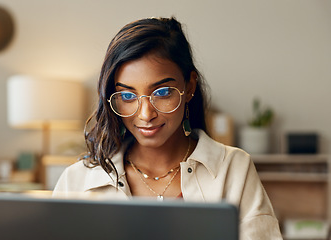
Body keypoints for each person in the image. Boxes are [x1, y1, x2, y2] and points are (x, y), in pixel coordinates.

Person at [53, 17, 282, 239]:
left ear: (190, 86)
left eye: (162, 93)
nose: (146, 114)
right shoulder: (77, 180)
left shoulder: (233, 169)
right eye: (127, 95)